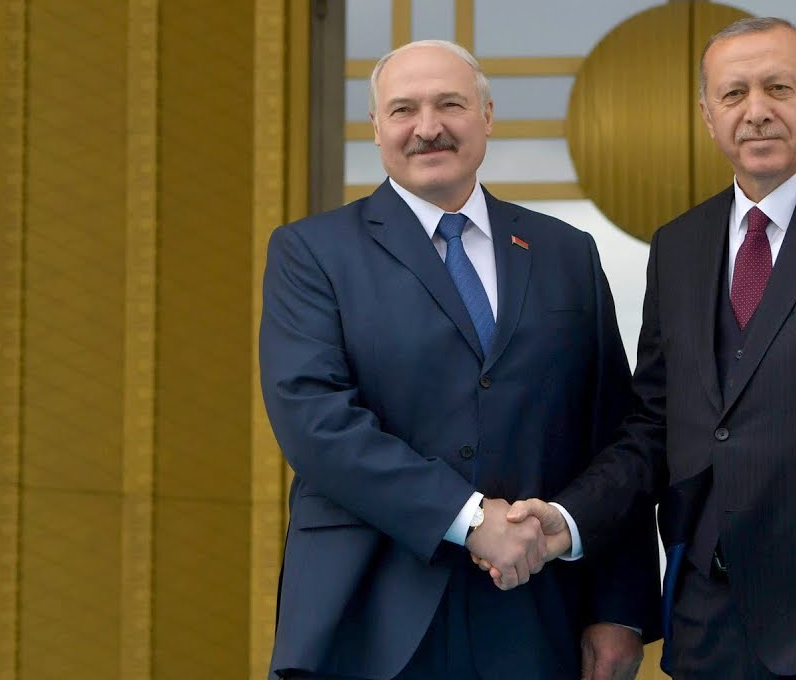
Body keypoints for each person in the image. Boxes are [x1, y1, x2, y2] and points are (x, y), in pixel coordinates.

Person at [489, 17, 796, 680]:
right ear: (707, 115)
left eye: (778, 88)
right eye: (733, 94)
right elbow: (653, 428)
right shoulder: (679, 245)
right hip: (713, 625)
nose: (756, 111)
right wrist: (569, 518)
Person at [259, 39, 660, 680]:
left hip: (536, 615)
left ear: (487, 116)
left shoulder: (567, 253)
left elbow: (614, 434)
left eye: (450, 104)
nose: (428, 127)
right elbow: (315, 423)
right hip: (368, 612)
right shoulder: (312, 253)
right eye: (403, 110)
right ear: (376, 127)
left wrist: (619, 609)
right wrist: (469, 519)